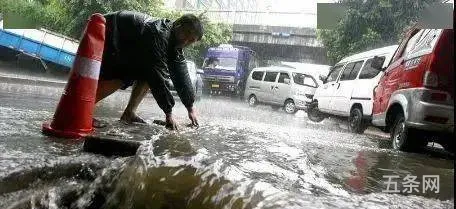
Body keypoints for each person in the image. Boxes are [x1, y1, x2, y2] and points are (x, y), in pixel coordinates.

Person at [94, 10, 203, 130]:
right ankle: (81, 109)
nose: (186, 41)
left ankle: (129, 113)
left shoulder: (174, 43)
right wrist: (169, 114)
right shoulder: (160, 35)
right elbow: (158, 77)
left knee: (147, 74)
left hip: (120, 39)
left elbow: (181, 75)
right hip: (105, 29)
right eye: (186, 34)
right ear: (178, 25)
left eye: (191, 40)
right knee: (123, 75)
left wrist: (190, 107)